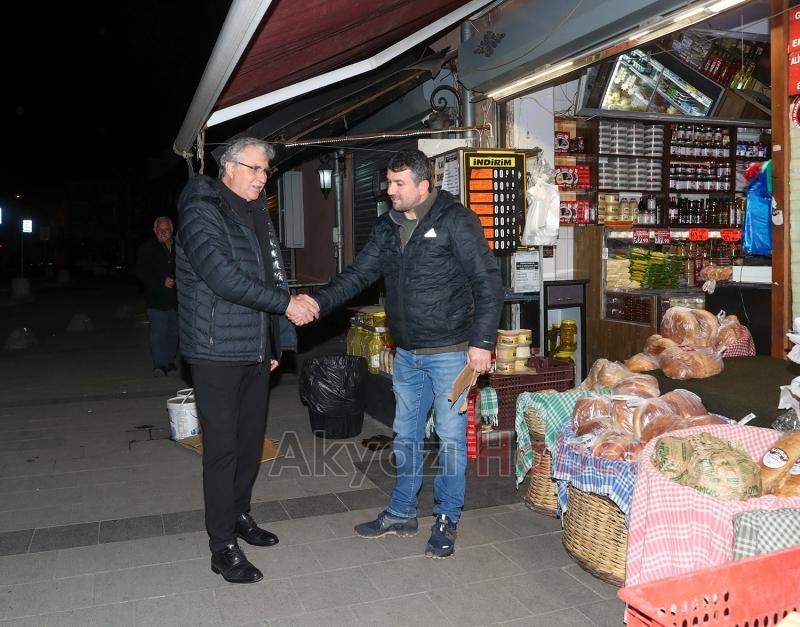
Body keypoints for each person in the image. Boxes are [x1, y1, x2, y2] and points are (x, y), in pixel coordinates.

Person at [309, 149, 502, 559]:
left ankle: (447, 517)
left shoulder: (455, 221)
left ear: (423, 185)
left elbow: (487, 281)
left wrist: (483, 342)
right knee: (406, 434)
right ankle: (401, 511)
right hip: (408, 353)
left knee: (450, 439)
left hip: (451, 352)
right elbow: (359, 274)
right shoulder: (387, 227)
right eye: (388, 182)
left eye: (398, 184)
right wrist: (317, 303)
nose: (389, 190)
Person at [176, 137, 319, 584]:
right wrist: (285, 307)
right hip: (216, 351)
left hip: (254, 350)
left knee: (249, 442)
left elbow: (270, 275)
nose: (262, 178)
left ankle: (239, 515)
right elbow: (223, 277)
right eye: (255, 169)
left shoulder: (255, 213)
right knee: (222, 450)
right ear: (229, 168)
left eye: (265, 172)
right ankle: (222, 546)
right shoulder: (203, 211)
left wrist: (274, 342)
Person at [136, 217, 178, 377]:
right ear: (154, 231)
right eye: (160, 229)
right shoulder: (148, 248)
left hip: (176, 301)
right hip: (156, 301)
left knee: (174, 333)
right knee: (159, 333)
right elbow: (141, 272)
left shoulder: (178, 247)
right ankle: (160, 365)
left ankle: (169, 361)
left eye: (166, 229)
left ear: (171, 230)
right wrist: (161, 281)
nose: (163, 232)